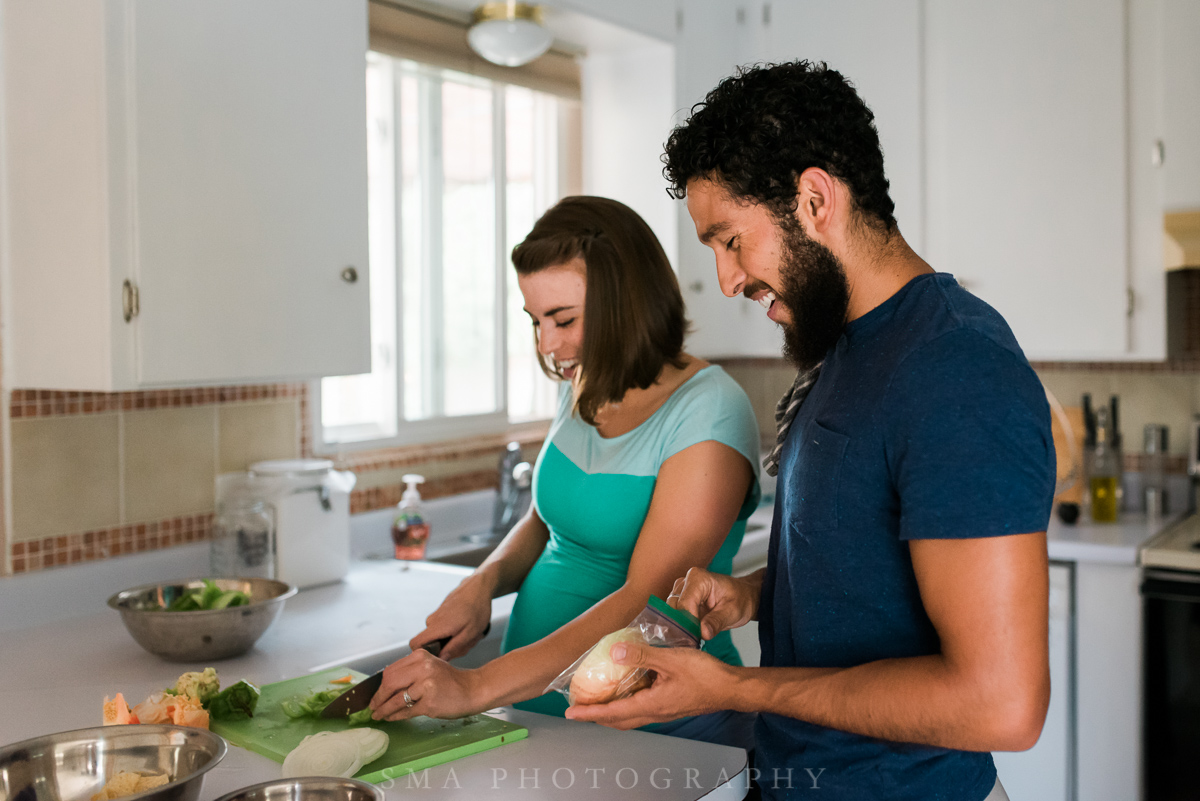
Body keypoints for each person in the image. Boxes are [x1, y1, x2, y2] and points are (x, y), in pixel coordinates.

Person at [565, 62, 1056, 801]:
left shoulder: (956, 370)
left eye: (731, 241)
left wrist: (731, 685)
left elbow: (1001, 703)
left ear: (815, 198)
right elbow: (867, 564)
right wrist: (755, 595)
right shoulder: (844, 349)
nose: (727, 281)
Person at [368, 195, 762, 749]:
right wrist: (483, 584)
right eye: (535, 321)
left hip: (660, 729)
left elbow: (649, 600)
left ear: (627, 302)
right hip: (536, 716)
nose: (548, 345)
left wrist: (478, 685)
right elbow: (544, 520)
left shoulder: (709, 407)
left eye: (564, 319)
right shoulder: (583, 384)